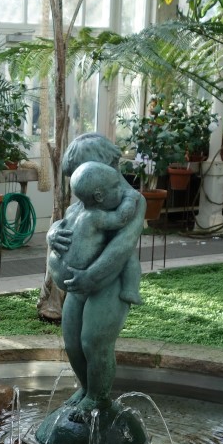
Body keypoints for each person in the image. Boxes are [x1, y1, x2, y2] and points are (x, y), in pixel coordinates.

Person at [45, 161, 146, 415]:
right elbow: (59, 225)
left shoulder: (100, 214)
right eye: (115, 187)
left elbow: (122, 225)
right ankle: (86, 388)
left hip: (100, 284)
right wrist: (51, 233)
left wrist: (130, 200)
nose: (121, 190)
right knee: (72, 343)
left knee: (92, 342)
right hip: (75, 288)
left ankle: (97, 397)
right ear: (99, 195)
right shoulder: (75, 210)